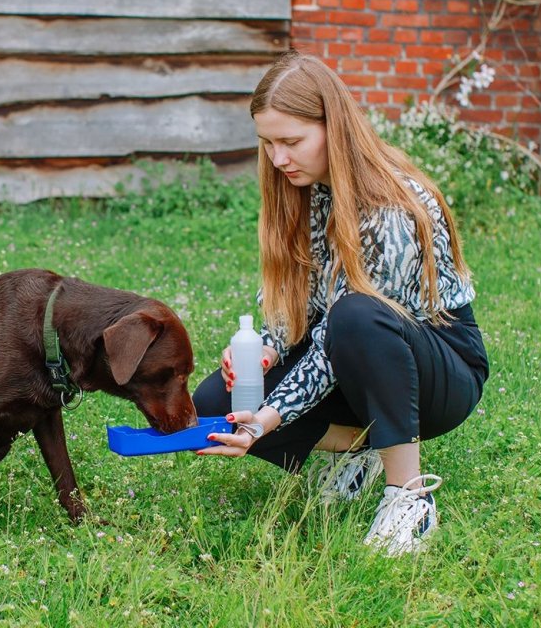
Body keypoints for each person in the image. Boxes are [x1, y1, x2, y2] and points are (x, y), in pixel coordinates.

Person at [194, 50, 489, 556]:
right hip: (351, 350)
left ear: (335, 127)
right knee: (216, 405)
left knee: (356, 315)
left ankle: (409, 497)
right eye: (268, 143)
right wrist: (265, 348)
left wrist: (269, 418)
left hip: (437, 368)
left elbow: (344, 333)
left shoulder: (392, 205)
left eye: (291, 142)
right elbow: (300, 306)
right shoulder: (303, 190)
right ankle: (359, 450)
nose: (278, 159)